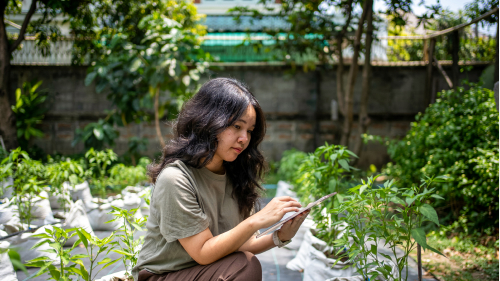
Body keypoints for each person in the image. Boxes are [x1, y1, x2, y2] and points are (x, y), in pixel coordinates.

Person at [133, 78, 309, 281]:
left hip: (208, 270)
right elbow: (203, 252)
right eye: (236, 126)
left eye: (249, 131)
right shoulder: (176, 179)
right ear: (208, 121)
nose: (244, 138)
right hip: (164, 276)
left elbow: (242, 243)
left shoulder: (236, 175)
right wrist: (255, 221)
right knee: (245, 266)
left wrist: (281, 236)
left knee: (244, 261)